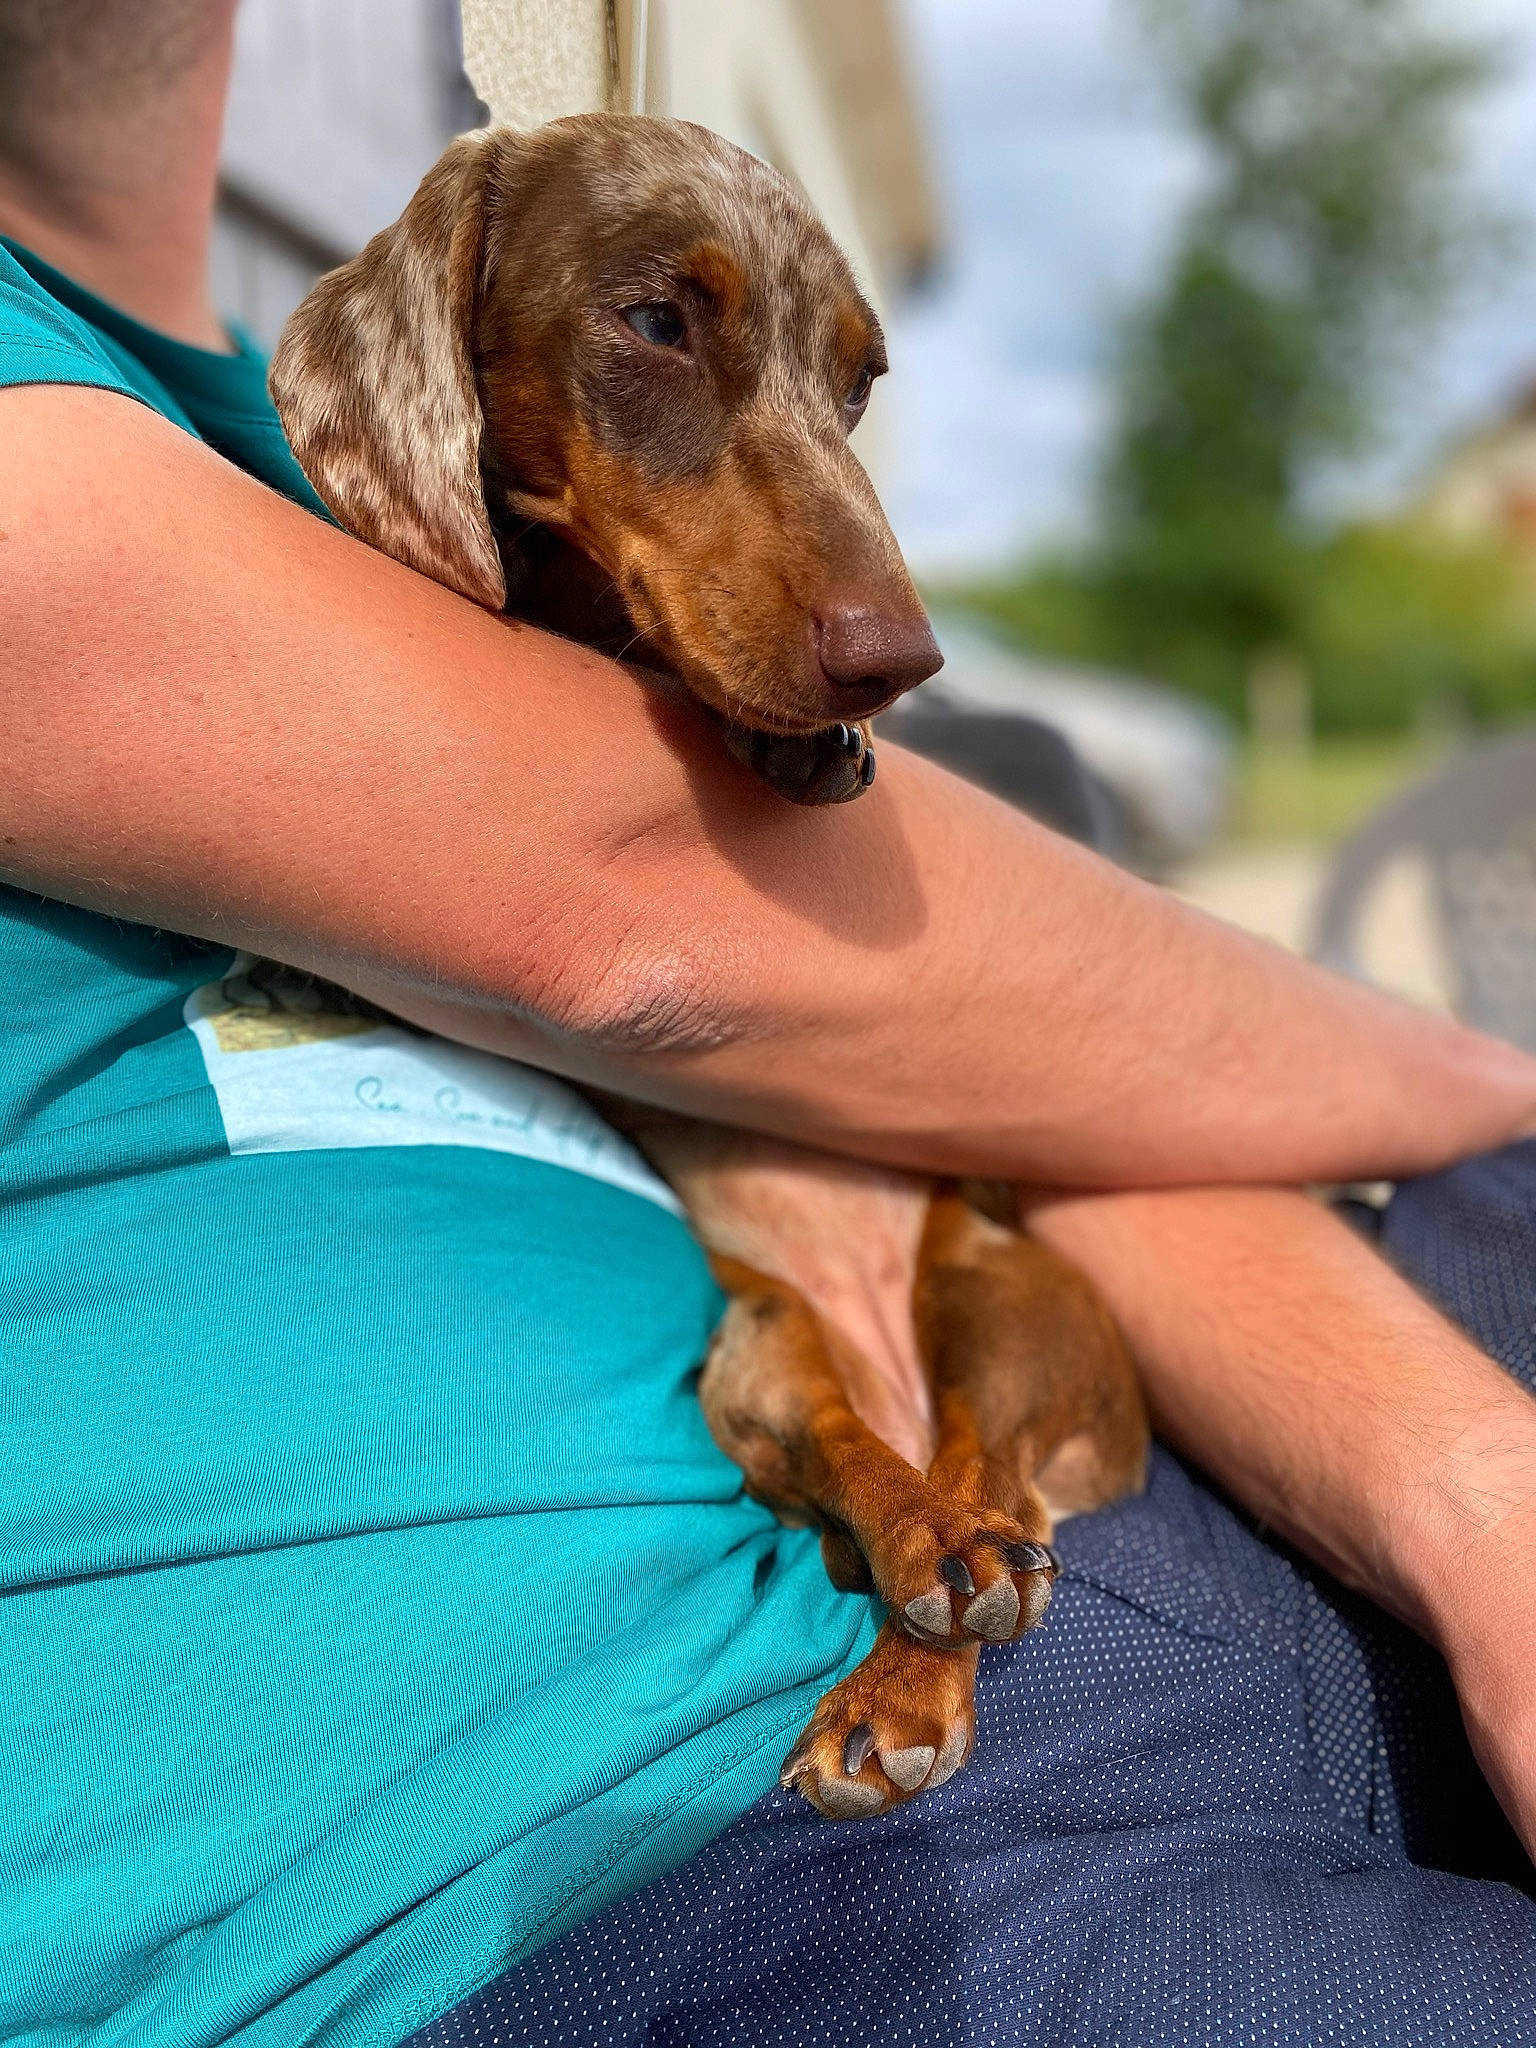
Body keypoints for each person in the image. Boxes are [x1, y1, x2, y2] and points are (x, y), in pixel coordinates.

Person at [1, 5, 1534, 2045]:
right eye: (657, 332)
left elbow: (1002, 1060)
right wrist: (1463, 1084)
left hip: (1072, 1484)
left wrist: (1471, 1494)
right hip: (635, 1867)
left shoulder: (326, 475)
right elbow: (650, 923)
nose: (880, 618)